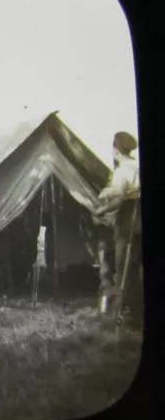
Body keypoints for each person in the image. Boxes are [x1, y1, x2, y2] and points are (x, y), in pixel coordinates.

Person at [94, 131, 142, 323]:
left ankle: (124, 312)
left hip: (127, 220)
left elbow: (118, 200)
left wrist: (102, 210)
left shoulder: (122, 171)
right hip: (140, 218)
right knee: (137, 267)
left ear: (115, 150)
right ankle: (138, 309)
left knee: (123, 267)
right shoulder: (138, 166)